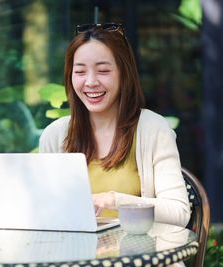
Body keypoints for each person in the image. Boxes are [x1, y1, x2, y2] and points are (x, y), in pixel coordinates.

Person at [39, 23, 190, 228]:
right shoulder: (55, 135)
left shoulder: (153, 129)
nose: (90, 82)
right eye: (80, 71)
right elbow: (45, 212)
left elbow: (179, 212)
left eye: (103, 70)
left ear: (123, 73)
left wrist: (114, 201)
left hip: (140, 257)